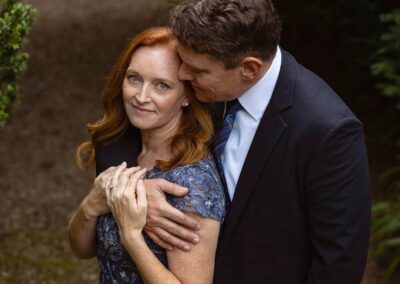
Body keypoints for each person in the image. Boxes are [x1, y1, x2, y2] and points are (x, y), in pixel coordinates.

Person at [130, 0, 370, 283]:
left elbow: (339, 264)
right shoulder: (205, 89)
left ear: (249, 69)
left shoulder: (327, 131)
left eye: (198, 70)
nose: (182, 74)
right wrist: (137, 188)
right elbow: (130, 137)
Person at [67, 27, 226, 283]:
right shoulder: (123, 149)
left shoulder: (191, 184)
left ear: (186, 96)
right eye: (134, 78)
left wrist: (131, 235)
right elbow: (81, 249)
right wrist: (90, 205)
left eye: (161, 85)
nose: (141, 97)